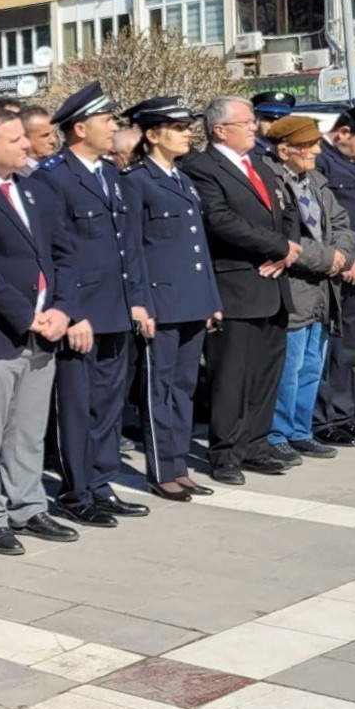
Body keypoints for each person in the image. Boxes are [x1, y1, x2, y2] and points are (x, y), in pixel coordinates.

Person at [0, 106, 78, 556]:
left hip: (44, 331)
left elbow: (63, 252)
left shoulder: (32, 189)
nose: (27, 145)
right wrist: (25, 315)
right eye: (15, 140)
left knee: (28, 429)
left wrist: (62, 309)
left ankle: (28, 505)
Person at [29, 82, 153, 525]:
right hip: (80, 313)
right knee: (77, 408)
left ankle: (101, 483)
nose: (114, 127)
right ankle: (76, 490)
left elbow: (127, 245)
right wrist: (73, 312)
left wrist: (137, 300)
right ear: (79, 128)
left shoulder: (110, 174)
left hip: (115, 307)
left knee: (109, 404)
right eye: (106, 121)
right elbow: (52, 252)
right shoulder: (52, 177)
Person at [181, 96, 298, 484]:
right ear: (220, 130)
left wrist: (287, 251)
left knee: (266, 373)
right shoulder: (202, 167)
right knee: (231, 375)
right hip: (235, 285)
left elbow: (286, 212)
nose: (254, 126)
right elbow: (219, 220)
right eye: (245, 121)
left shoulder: (259, 164)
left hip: (273, 283)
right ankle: (226, 453)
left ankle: (256, 445)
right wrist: (276, 246)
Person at [120, 97, 221, 502]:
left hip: (191, 300)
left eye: (186, 127)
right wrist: (139, 303)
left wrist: (210, 298)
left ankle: (179, 465)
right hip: (160, 304)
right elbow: (132, 250)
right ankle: (161, 470)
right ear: (152, 134)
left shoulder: (182, 179)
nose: (187, 133)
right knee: (157, 390)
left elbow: (198, 246)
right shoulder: (135, 181)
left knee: (184, 387)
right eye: (178, 128)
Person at [261, 115, 352, 465]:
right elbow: (286, 237)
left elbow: (341, 222)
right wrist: (329, 258)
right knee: (290, 366)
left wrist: (341, 256)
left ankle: (301, 430)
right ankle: (278, 433)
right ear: (284, 151)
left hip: (322, 289)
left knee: (312, 364)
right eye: (307, 145)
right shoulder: (271, 179)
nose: (316, 150)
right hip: (294, 286)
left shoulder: (314, 180)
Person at [314, 99, 355, 447]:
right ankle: (322, 420)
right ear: (343, 132)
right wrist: (345, 258)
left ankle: (343, 415)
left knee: (348, 346)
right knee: (327, 346)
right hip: (332, 269)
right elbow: (319, 221)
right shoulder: (320, 161)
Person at [252, 91, 295, 156]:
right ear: (256, 119)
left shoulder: (293, 151)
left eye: (282, 120)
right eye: (270, 119)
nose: (276, 124)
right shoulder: (246, 154)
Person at [20, 105, 57, 176]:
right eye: (45, 135)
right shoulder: (14, 175)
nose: (53, 140)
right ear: (25, 138)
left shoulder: (60, 165)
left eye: (53, 133)